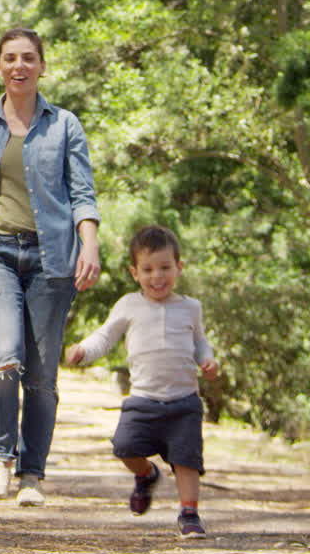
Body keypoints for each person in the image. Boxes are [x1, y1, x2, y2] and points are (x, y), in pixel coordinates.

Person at [0, 27, 101, 507]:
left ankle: (33, 475)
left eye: (29, 58)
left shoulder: (64, 124)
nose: (19, 66)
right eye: (10, 58)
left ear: (42, 66)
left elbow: (82, 193)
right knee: (3, 356)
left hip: (53, 259)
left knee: (43, 373)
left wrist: (88, 247)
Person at [65, 225, 220, 537]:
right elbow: (105, 336)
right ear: (134, 272)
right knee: (124, 447)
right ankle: (147, 475)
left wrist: (208, 358)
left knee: (187, 460)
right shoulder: (129, 305)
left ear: (179, 267)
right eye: (148, 269)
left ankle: (189, 513)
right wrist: (84, 350)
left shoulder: (191, 308)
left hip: (184, 400)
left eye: (165, 268)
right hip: (143, 399)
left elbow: (200, 341)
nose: (157, 277)